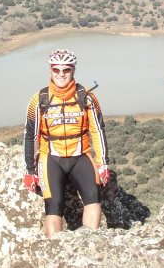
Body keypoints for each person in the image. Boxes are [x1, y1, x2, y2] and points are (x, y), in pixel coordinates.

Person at [23, 48, 110, 237]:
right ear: (50, 70)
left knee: (94, 199)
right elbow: (30, 136)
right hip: (51, 158)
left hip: (81, 156)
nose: (61, 74)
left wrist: (103, 163)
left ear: (73, 70)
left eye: (66, 69)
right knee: (54, 207)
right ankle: (55, 254)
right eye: (56, 70)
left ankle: (88, 243)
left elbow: (98, 129)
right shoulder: (39, 100)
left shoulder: (86, 97)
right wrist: (30, 171)